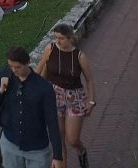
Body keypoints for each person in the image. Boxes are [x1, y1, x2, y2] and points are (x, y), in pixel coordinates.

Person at [0, 46, 63, 168]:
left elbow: (52, 122)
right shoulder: (5, 75)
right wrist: (1, 91)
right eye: (11, 66)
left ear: (28, 63)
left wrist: (57, 156)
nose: (13, 70)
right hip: (10, 144)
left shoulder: (44, 88)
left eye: (17, 67)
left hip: (37, 150)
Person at [36, 24, 97, 168]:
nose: (58, 41)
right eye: (56, 37)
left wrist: (92, 100)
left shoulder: (79, 56)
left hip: (74, 98)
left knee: (72, 138)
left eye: (61, 38)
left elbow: (89, 80)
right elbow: (40, 70)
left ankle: (81, 151)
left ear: (70, 38)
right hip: (54, 96)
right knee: (58, 139)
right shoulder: (50, 49)